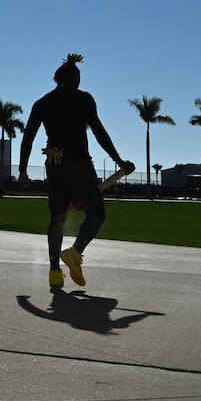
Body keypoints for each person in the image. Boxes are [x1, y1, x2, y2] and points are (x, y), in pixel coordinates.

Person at [17, 53, 132, 289]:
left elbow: (28, 138)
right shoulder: (84, 99)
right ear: (75, 79)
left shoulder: (42, 103)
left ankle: (54, 272)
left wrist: (22, 171)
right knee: (96, 213)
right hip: (79, 166)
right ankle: (74, 253)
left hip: (55, 166)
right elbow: (99, 131)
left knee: (57, 218)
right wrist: (118, 160)